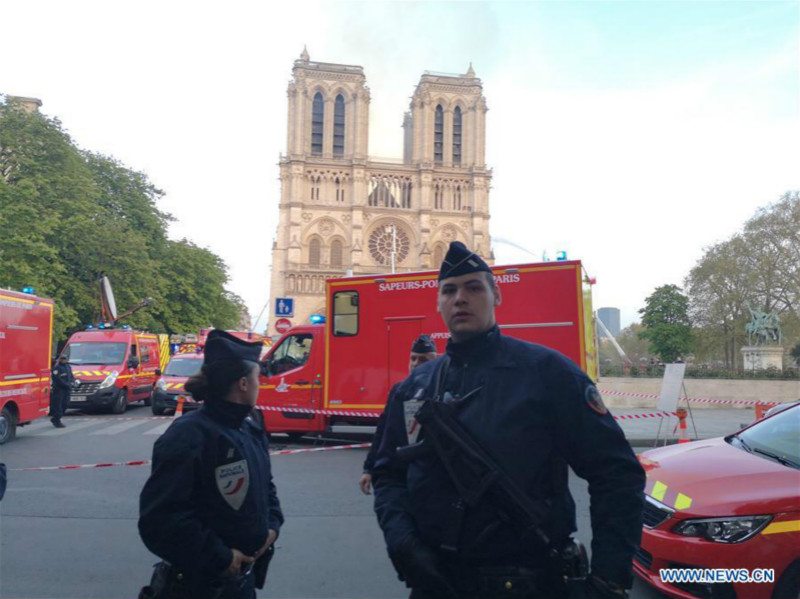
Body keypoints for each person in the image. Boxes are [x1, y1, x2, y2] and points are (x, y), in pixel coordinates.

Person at [372, 242, 645, 599]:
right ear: (438, 303)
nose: (460, 299)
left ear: (496, 295)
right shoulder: (413, 388)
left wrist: (609, 579)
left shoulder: (549, 374)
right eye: (449, 290)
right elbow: (387, 472)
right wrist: (402, 541)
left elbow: (615, 473)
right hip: (435, 580)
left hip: (531, 580)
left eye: (474, 288)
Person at [139, 329, 284, 599]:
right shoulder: (189, 435)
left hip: (240, 584)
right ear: (243, 383)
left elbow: (266, 489)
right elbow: (160, 520)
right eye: (256, 379)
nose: (259, 385)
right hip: (199, 586)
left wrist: (272, 527)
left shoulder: (250, 426)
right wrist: (221, 556)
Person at [359, 335, 437, 495]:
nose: (415, 364)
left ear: (434, 363)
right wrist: (369, 468)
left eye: (423, 360)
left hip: (431, 478)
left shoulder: (440, 391)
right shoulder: (399, 391)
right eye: (413, 358)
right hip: (401, 475)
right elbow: (383, 431)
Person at [50, 354, 74, 428]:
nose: (63, 360)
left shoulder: (68, 366)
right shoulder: (57, 368)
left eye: (65, 359)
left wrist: (73, 382)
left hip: (67, 389)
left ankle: (55, 419)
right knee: (58, 406)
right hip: (59, 390)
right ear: (60, 359)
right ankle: (57, 420)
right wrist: (67, 385)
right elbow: (57, 379)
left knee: (66, 404)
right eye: (62, 359)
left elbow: (71, 376)